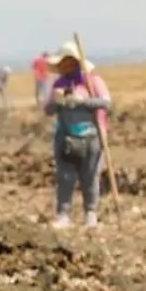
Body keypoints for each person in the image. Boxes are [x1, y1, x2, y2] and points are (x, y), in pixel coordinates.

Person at [43, 42, 111, 229]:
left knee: (90, 176)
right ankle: (63, 215)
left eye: (70, 62)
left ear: (77, 63)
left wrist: (84, 101)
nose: (66, 67)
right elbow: (47, 109)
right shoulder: (58, 84)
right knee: (65, 177)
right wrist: (57, 102)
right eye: (63, 63)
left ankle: (91, 214)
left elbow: (106, 103)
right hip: (65, 137)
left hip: (91, 136)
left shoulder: (91, 81)